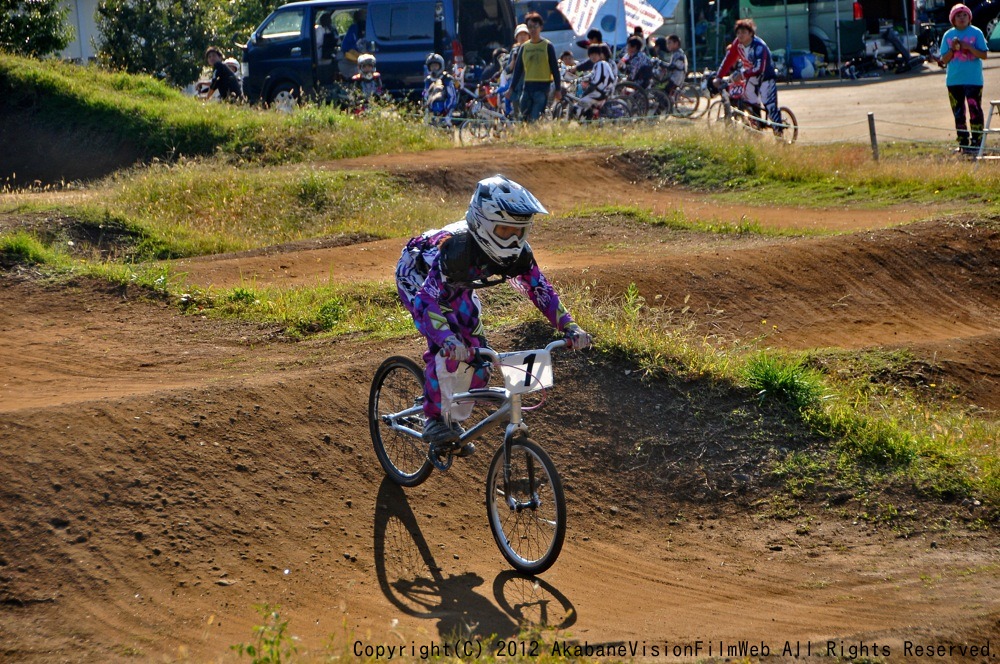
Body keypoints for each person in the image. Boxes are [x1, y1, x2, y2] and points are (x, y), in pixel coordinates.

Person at [395, 175, 592, 458]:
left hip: (459, 286)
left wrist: (569, 326)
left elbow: (539, 288)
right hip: (419, 277)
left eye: (519, 232)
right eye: (503, 231)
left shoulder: (520, 255)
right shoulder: (455, 251)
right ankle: (434, 419)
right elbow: (428, 301)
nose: (513, 239)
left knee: (481, 362)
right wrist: (448, 339)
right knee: (445, 352)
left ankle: (449, 422)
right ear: (482, 224)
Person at [939, 3, 988, 154]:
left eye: (964, 15)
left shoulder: (976, 32)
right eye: (958, 16)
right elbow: (944, 60)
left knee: (975, 111)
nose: (962, 18)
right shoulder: (948, 35)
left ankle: (977, 142)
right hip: (954, 80)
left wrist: (969, 47)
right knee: (959, 112)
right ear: (953, 19)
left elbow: (984, 55)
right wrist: (953, 49)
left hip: (973, 79)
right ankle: (963, 143)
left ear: (969, 17)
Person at [716, 19, 782, 132]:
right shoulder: (738, 44)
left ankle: (779, 133)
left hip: (766, 76)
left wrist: (742, 75)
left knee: (769, 104)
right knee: (749, 101)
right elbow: (729, 59)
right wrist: (719, 76)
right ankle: (756, 126)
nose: (740, 35)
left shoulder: (759, 47)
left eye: (743, 32)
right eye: (738, 33)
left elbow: (759, 68)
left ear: (750, 33)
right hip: (750, 76)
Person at [508, 12, 562, 122]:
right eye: (530, 27)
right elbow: (518, 70)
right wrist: (511, 88)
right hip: (527, 87)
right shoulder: (524, 47)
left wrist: (558, 89)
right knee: (523, 118)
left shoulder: (547, 46)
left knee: (535, 118)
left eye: (535, 26)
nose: (532, 30)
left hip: (542, 88)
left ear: (541, 27)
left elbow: (555, 69)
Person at [573, 43, 616, 118]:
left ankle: (581, 122)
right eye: (591, 55)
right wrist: (584, 78)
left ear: (600, 55)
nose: (593, 57)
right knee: (586, 106)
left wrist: (588, 90)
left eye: (596, 55)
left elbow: (596, 80)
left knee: (578, 106)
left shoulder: (600, 64)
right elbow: (593, 76)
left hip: (600, 92)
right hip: (604, 92)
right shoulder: (601, 64)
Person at [423, 53, 458, 123]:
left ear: (441, 66)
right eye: (432, 66)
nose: (434, 69)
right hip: (432, 110)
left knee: (446, 123)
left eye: (436, 66)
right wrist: (427, 107)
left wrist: (446, 109)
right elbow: (425, 95)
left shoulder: (447, 79)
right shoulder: (428, 80)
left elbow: (452, 96)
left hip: (446, 110)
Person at [339, 9, 367, 79]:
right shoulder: (370, 28)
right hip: (367, 56)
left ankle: (347, 81)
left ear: (355, 19)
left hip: (355, 59)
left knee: (339, 60)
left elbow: (344, 47)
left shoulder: (353, 28)